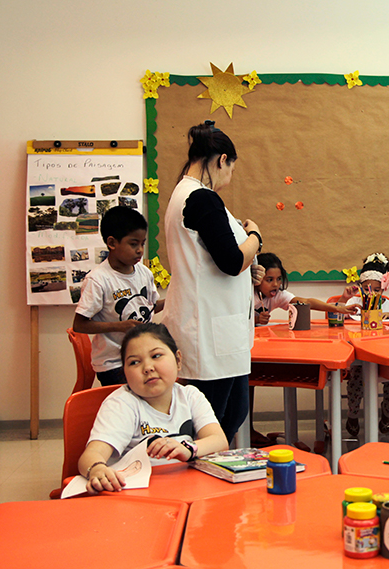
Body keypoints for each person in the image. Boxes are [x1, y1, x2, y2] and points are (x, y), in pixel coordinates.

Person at [162, 121, 263, 445]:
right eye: (230, 169)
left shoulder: (189, 195)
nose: (228, 179)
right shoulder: (201, 198)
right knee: (213, 424)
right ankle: (197, 489)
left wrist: (250, 263)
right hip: (208, 334)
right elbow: (232, 261)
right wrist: (255, 237)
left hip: (216, 331)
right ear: (221, 160)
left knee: (226, 418)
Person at [78, 323, 228, 495]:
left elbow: (219, 441)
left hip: (186, 489)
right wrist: (97, 469)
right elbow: (91, 455)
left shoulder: (190, 396)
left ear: (178, 360)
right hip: (137, 496)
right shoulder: (122, 404)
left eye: (156, 356)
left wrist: (187, 448)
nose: (148, 368)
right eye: (134, 362)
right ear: (124, 373)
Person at [249, 252, 356, 445]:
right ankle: (243, 431)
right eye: (269, 280)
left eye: (279, 279)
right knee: (245, 386)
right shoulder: (245, 293)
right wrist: (254, 320)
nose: (275, 284)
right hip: (239, 349)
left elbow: (304, 302)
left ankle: (248, 431)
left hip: (256, 350)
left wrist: (336, 308)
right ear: (257, 280)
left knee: (250, 384)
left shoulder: (277, 296)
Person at [73, 206, 163, 386]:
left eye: (143, 243)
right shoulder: (98, 280)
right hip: (113, 364)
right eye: (133, 244)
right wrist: (120, 326)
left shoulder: (144, 272)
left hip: (142, 355)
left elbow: (150, 305)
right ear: (112, 243)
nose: (140, 250)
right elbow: (79, 325)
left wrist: (175, 300)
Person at [335, 253, 389, 437]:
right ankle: (353, 413)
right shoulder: (354, 303)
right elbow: (335, 318)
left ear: (384, 288)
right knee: (356, 378)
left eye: (376, 289)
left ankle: (387, 411)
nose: (371, 293)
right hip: (358, 356)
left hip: (383, 356)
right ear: (360, 287)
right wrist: (344, 301)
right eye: (366, 288)